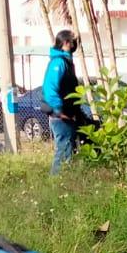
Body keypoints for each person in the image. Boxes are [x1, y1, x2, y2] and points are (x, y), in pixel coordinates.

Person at [40, 29, 85, 174]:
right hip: (62, 118)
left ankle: (64, 183)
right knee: (63, 152)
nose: (75, 44)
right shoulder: (58, 63)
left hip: (68, 116)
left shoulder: (65, 62)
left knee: (69, 152)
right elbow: (50, 89)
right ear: (66, 43)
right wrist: (59, 112)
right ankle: (57, 185)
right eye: (73, 41)